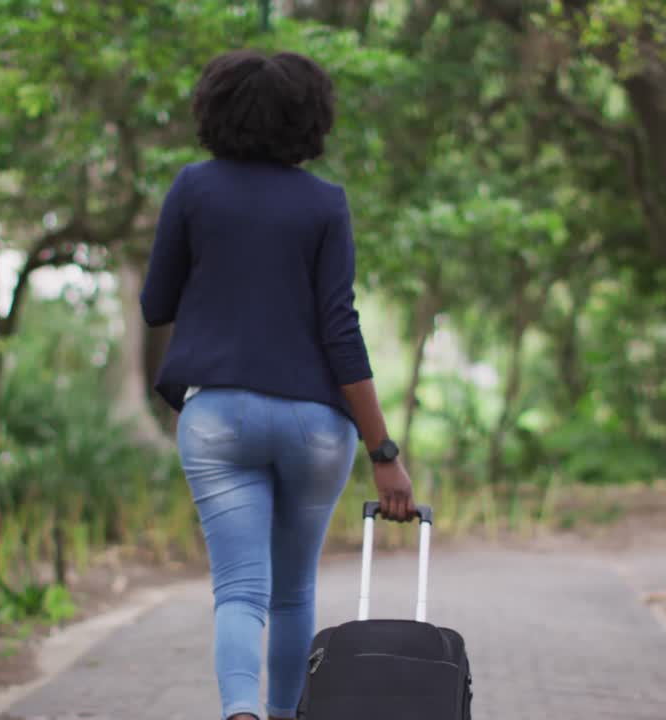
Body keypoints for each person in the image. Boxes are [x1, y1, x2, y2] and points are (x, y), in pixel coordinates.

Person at [140, 49, 418, 720]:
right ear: (310, 118)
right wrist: (384, 453)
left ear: (216, 109)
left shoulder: (193, 189)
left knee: (239, 591)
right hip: (315, 426)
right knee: (293, 593)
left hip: (219, 416)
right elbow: (341, 331)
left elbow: (155, 305)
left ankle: (240, 711)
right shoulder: (325, 203)